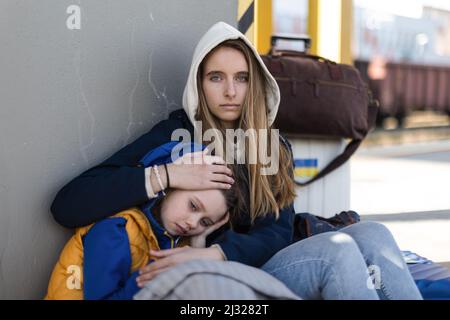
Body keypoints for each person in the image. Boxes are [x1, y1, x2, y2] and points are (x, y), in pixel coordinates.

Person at [50, 21, 422, 299]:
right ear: (200, 83)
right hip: (227, 287)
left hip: (258, 264)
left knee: (374, 234)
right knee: (335, 252)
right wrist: (166, 174)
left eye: (242, 78)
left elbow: (277, 232)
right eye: (216, 77)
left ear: (255, 84)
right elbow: (68, 205)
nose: (230, 91)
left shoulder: (274, 146)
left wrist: (215, 253)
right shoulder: (177, 136)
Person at [45, 141, 236, 300]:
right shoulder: (116, 230)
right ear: (168, 188)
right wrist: (160, 273)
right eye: (193, 206)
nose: (193, 223)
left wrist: (198, 246)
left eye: (205, 223)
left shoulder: (175, 244)